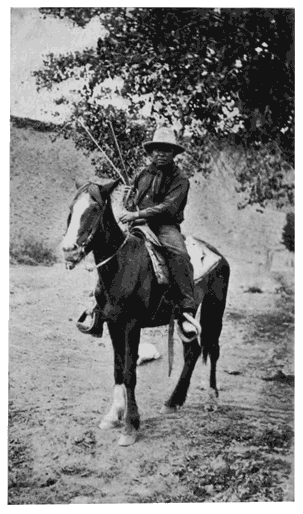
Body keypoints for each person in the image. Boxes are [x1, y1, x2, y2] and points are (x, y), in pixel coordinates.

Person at [119, 126, 201, 340]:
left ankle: (186, 310)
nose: (160, 154)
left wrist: (136, 215)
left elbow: (168, 208)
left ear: (174, 153)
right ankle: (98, 304)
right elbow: (131, 204)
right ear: (151, 152)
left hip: (165, 226)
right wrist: (127, 199)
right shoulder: (142, 174)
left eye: (166, 150)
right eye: (156, 150)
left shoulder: (180, 179)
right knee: (113, 248)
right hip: (140, 224)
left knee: (179, 254)